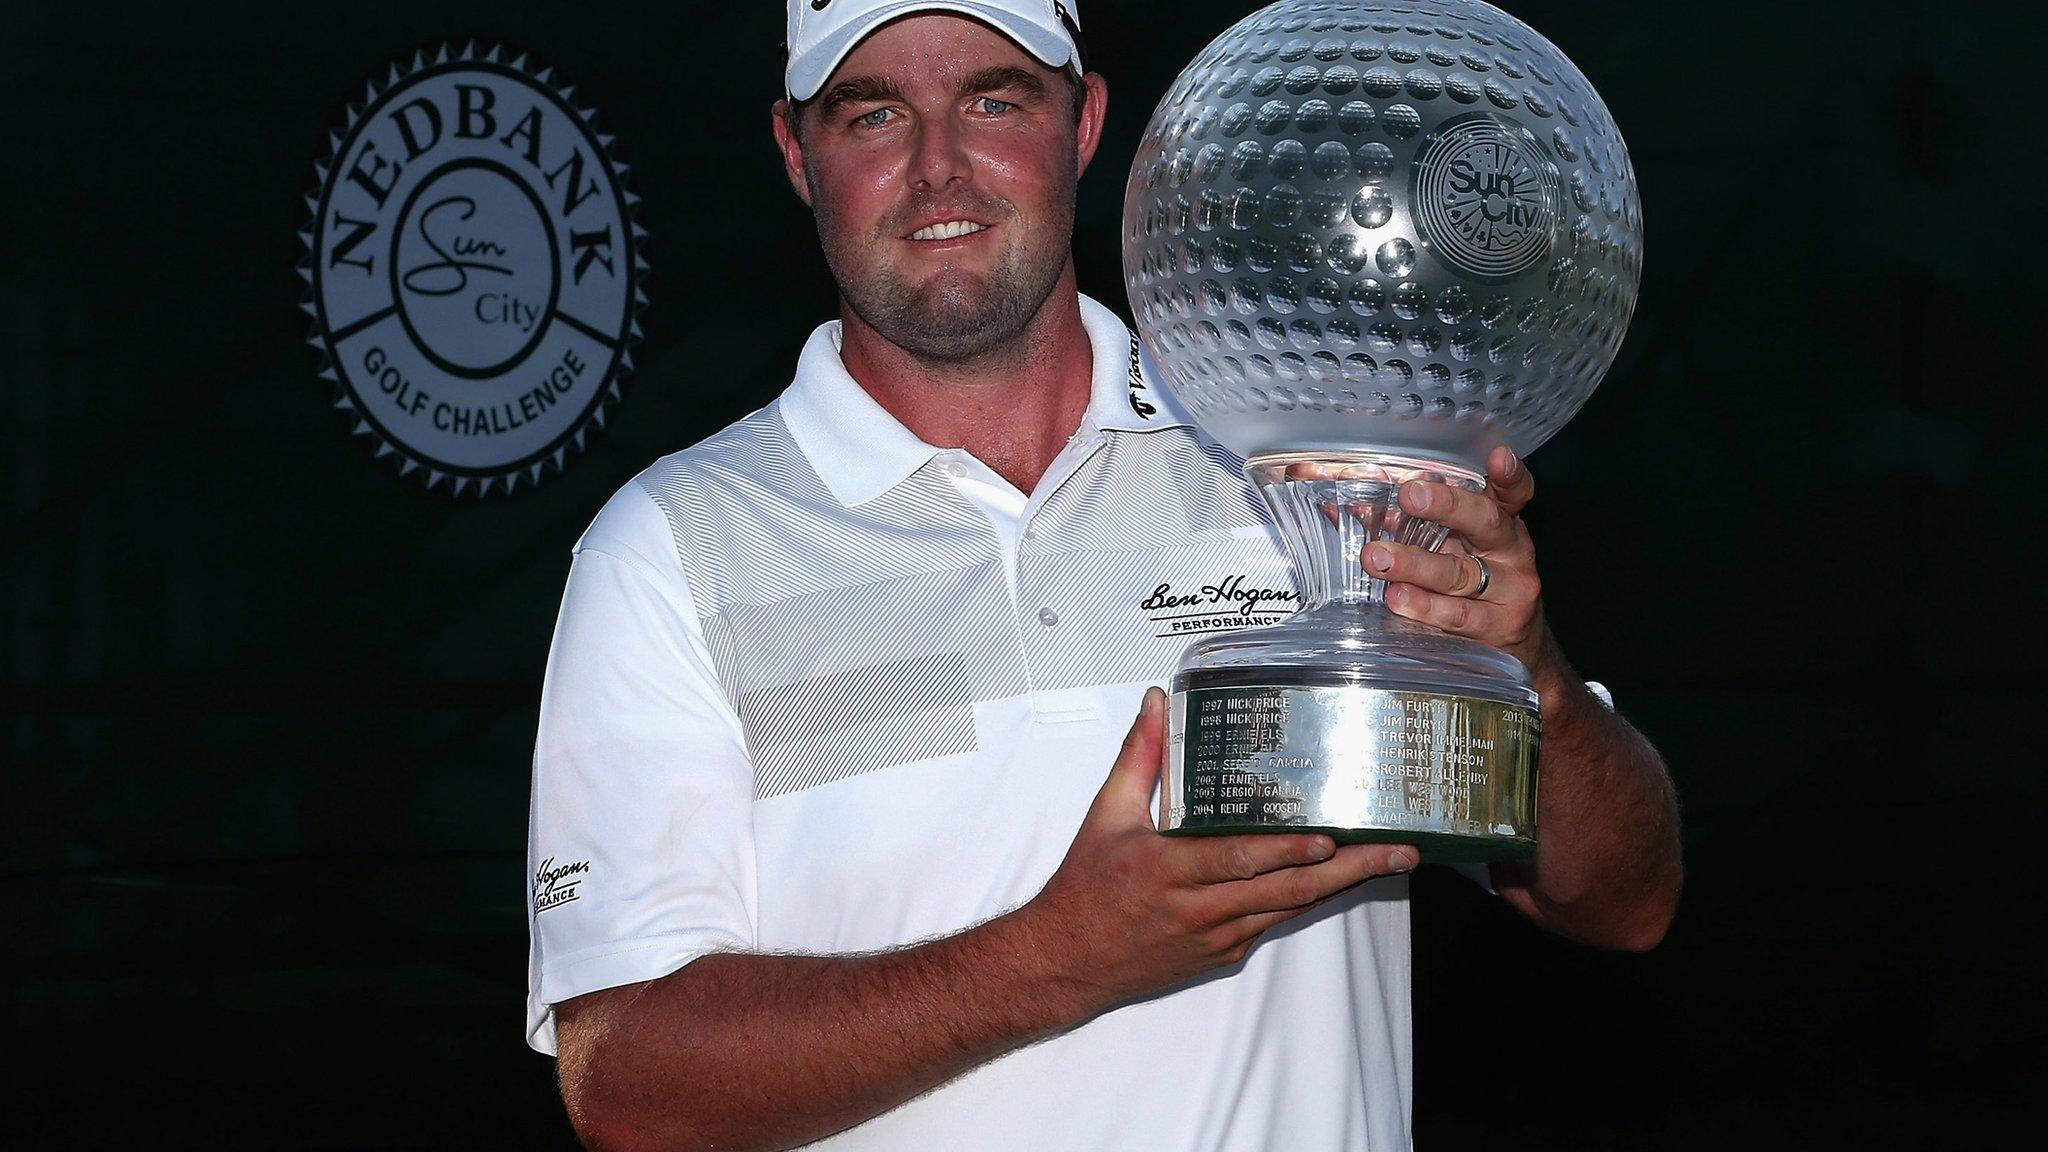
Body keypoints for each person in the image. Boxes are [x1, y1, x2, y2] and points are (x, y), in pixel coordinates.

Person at [523, 2, 1682, 1149]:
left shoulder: (1307, 461)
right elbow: (628, 1087)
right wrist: (1055, 957)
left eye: (992, 100)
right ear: (794, 152)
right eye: (872, 114)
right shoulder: (670, 550)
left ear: (1083, 125)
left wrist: (1526, 678)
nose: (937, 169)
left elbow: (1623, 898)